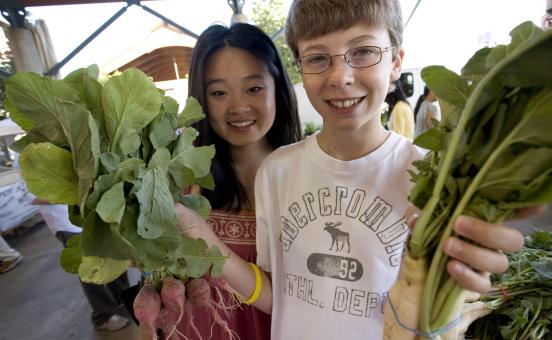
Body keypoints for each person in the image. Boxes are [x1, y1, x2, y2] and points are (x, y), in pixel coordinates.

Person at [175, 1, 527, 338]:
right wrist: (198, 234)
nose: (340, 76)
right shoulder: (277, 171)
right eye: (317, 57)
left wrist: (470, 273)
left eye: (362, 52)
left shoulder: (433, 176)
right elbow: (277, 298)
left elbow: (448, 301)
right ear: (299, 68)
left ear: (396, 62)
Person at [171, 23, 301, 340]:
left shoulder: (309, 179)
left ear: (278, 89)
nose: (238, 106)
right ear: (200, 100)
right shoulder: (184, 186)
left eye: (253, 88)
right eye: (218, 93)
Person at [32, 199, 130, 332]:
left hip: (95, 212)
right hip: (66, 222)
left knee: (113, 252)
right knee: (88, 267)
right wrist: (78, 194)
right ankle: (103, 316)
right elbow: (32, 197)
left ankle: (121, 297)